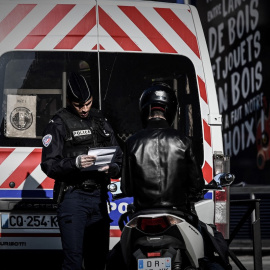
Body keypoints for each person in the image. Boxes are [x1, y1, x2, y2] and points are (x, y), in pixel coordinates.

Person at [120, 83, 231, 270]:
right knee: (213, 249)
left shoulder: (132, 142)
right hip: (178, 214)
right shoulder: (183, 141)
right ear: (171, 111)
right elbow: (196, 185)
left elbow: (127, 188)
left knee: (117, 258)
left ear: (145, 110)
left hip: (141, 216)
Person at [41, 72, 122, 270]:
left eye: (88, 103)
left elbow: (118, 157)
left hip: (99, 198)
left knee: (98, 261)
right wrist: (75, 163)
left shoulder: (100, 120)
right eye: (79, 105)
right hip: (73, 197)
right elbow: (48, 164)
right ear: (69, 101)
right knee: (74, 262)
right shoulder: (59, 122)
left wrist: (112, 168)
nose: (84, 109)